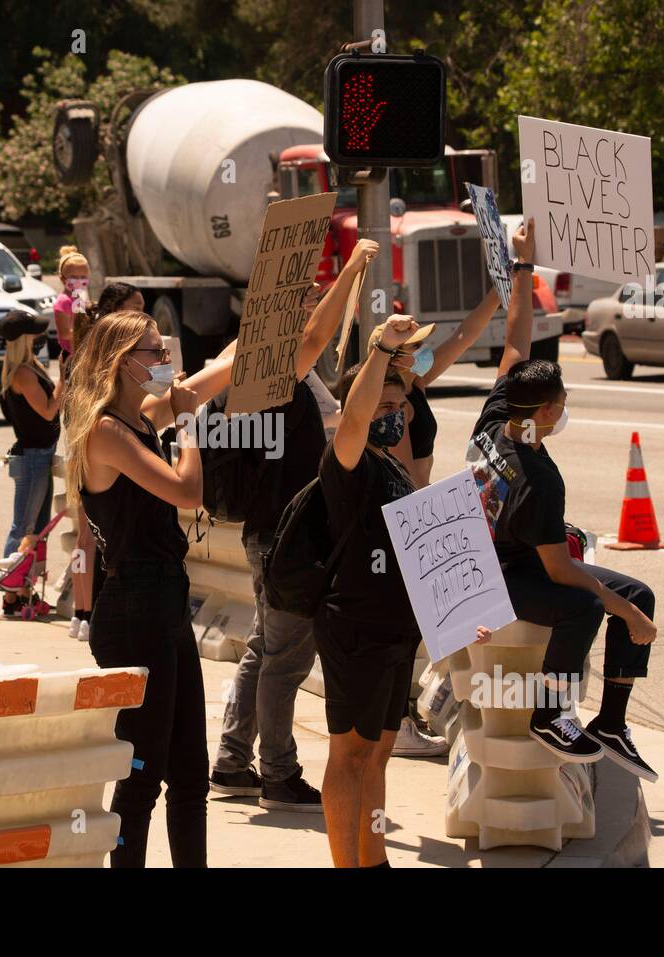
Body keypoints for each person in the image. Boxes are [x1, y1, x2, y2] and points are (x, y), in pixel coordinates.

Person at [465, 219, 659, 780]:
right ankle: (549, 712)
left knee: (640, 592)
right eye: (563, 399)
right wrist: (625, 614)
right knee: (589, 606)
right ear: (546, 412)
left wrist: (523, 266)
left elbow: (517, 343)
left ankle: (611, 723)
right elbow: (563, 572)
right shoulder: (540, 479)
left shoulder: (497, 418)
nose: (566, 406)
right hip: (498, 576)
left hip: (508, 556)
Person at [210, 239, 378, 813]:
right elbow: (313, 339)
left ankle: (233, 759)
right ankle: (278, 774)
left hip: (269, 534)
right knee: (286, 660)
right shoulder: (265, 373)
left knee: (267, 648)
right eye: (298, 297)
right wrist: (352, 270)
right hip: (286, 540)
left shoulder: (242, 366)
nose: (309, 302)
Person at [65, 309, 237, 867]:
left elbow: (214, 375)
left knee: (191, 775)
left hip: (164, 599)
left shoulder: (139, 418)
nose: (167, 363)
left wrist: (258, 328)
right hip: (134, 608)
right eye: (156, 353)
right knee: (142, 776)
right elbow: (187, 491)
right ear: (122, 363)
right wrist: (188, 426)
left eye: (166, 351)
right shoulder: (106, 432)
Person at [364, 287, 503, 758]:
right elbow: (398, 469)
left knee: (419, 625)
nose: (423, 352)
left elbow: (464, 337)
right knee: (408, 626)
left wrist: (497, 292)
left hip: (418, 509)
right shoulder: (391, 403)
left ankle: (406, 715)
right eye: (414, 347)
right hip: (406, 514)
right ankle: (397, 722)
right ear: (393, 357)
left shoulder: (412, 385)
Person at [315, 314, 428, 867]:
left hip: (396, 631)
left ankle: (373, 858)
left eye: (397, 409)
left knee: (380, 752)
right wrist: (381, 347)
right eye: (381, 409)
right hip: (355, 627)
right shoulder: (349, 460)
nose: (392, 418)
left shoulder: (394, 469)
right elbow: (355, 416)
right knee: (351, 752)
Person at [63, 281, 145, 641]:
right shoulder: (102, 351)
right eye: (135, 306)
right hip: (93, 442)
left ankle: (82, 612)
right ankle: (84, 610)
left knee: (87, 534)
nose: (142, 313)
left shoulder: (90, 346)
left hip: (85, 440)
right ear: (115, 309)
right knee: (88, 534)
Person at [0, 310, 62, 618]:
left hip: (41, 455)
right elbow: (48, 412)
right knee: (23, 526)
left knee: (38, 529)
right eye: (34, 334)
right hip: (32, 457)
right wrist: (65, 381)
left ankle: (24, 590)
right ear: (22, 339)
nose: (40, 338)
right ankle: (8, 593)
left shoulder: (29, 367)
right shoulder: (22, 374)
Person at [53, 245, 91, 372]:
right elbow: (64, 333)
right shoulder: (63, 301)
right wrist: (89, 331)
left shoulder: (79, 298)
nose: (79, 281)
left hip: (81, 354)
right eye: (74, 277)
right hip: (71, 356)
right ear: (62, 278)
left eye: (83, 277)